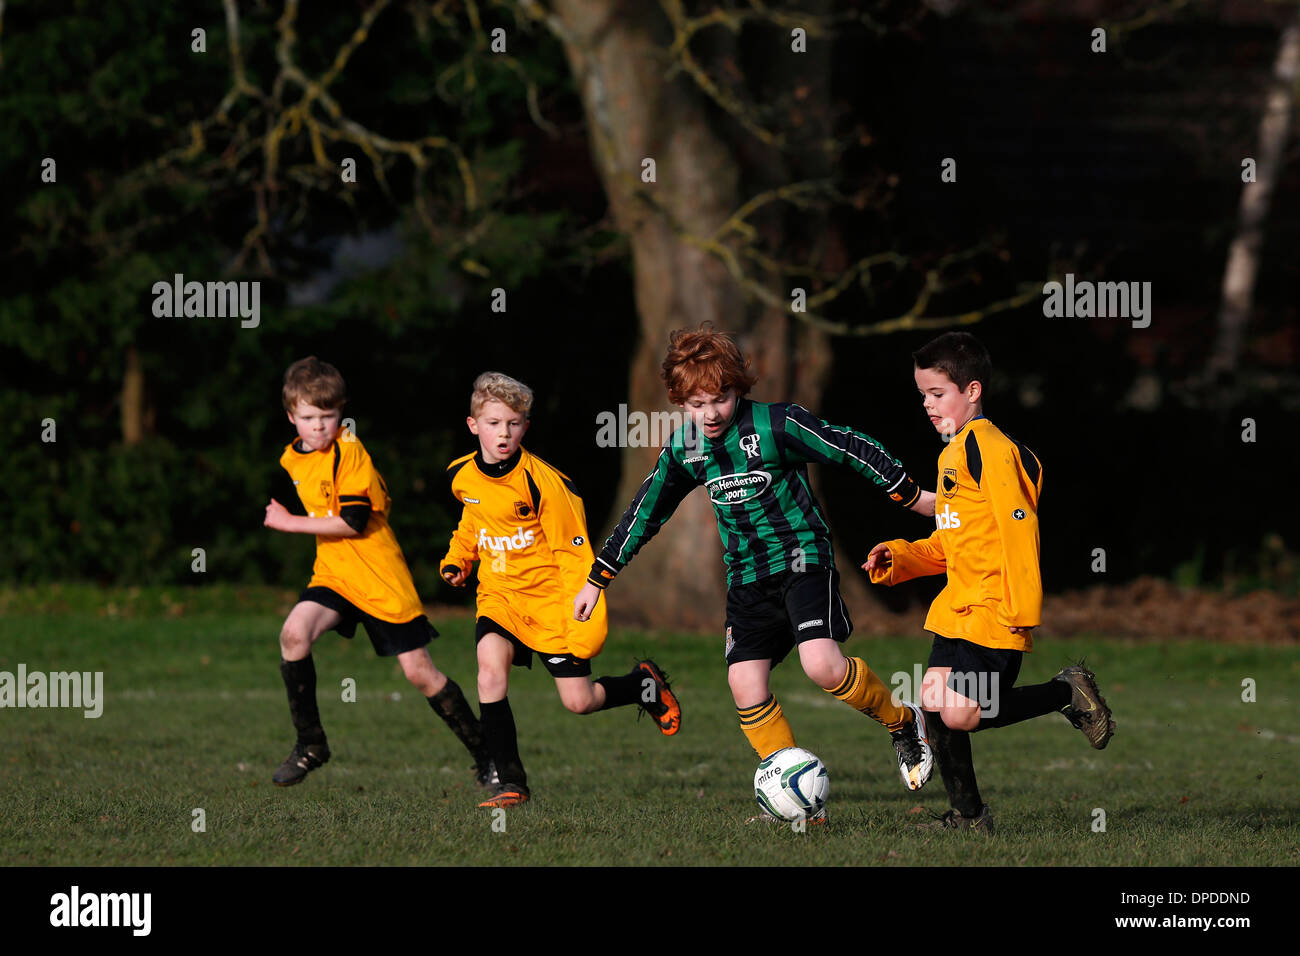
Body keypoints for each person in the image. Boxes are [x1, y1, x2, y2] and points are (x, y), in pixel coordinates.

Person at [573, 326, 938, 821]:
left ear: (738, 388)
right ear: (681, 403)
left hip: (802, 560)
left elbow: (849, 447)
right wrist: (599, 578)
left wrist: (912, 497)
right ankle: (796, 798)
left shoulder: (778, 425)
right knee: (745, 684)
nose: (711, 413)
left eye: (720, 398)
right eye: (697, 404)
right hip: (746, 578)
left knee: (823, 667)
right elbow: (644, 513)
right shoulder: (684, 451)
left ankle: (904, 723)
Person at [865, 331, 1115, 833]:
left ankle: (1064, 693)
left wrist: (1021, 607)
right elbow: (952, 542)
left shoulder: (993, 450)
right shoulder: (953, 453)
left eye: (938, 395)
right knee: (936, 704)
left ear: (973, 390)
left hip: (994, 608)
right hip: (957, 608)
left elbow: (1020, 529)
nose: (929, 407)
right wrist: (901, 557)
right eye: (923, 397)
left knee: (960, 713)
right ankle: (969, 817)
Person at [442, 372, 682, 809]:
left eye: (514, 424)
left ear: (525, 428)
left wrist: (584, 616)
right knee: (489, 669)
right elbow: (473, 524)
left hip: (552, 602)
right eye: (494, 423)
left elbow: (574, 556)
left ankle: (642, 685)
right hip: (500, 597)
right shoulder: (463, 477)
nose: (504, 433)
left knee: (580, 701)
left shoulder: (547, 484)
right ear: (473, 425)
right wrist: (460, 559)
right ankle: (510, 782)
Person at [264, 357, 492, 788]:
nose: (318, 426)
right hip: (333, 574)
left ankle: (488, 754)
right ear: (292, 416)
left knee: (419, 673)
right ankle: (311, 743)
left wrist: (290, 522)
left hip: (380, 576)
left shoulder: (351, 453)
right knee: (294, 635)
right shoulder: (291, 458)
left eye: (327, 417)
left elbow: (351, 521)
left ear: (341, 414)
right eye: (309, 417)